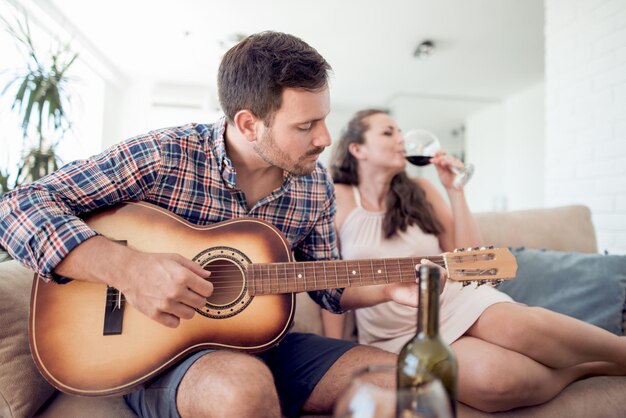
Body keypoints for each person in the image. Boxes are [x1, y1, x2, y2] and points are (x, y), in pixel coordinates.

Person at [0, 33, 428, 418]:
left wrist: (389, 284)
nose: (325, 138)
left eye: (323, 118)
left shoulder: (314, 186)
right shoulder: (165, 154)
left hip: (269, 345)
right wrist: (129, 269)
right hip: (162, 353)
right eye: (306, 126)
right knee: (240, 390)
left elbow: (329, 285)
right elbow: (16, 207)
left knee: (409, 381)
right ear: (248, 124)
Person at [324, 108, 626, 412]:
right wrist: (334, 351)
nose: (401, 139)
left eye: (401, 132)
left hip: (455, 299)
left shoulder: (421, 190)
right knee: (497, 383)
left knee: (516, 327)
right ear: (357, 148)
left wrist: (455, 191)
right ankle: (585, 368)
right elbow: (332, 289)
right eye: (389, 132)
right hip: (394, 332)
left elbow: (473, 262)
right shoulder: (336, 198)